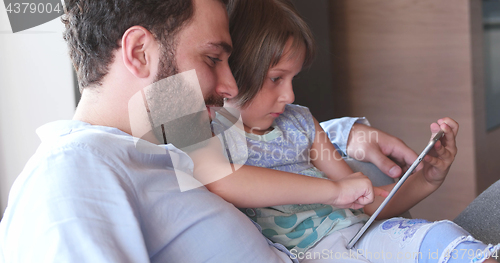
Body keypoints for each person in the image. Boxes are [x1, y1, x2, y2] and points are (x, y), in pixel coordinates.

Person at [0, 0, 429, 262]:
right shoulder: (72, 175)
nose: (230, 86)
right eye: (212, 59)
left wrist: (343, 134)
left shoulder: (159, 140)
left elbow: (252, 132)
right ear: (138, 52)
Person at [187, 0, 500, 262]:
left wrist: (427, 180)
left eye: (292, 78)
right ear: (235, 69)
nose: (290, 96)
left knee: (443, 237)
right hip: (310, 255)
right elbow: (224, 181)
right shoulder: (210, 130)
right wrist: (335, 192)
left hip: (359, 235)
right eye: (276, 79)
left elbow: (365, 199)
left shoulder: (300, 122)